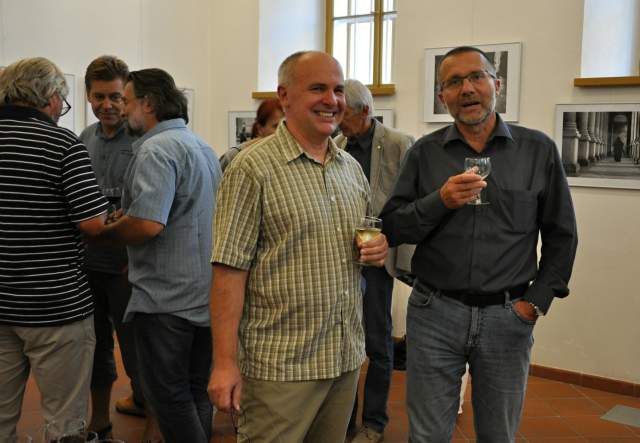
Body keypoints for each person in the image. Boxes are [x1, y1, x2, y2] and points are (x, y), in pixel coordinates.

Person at [380, 46, 578, 443]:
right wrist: (440, 201)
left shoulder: (537, 150)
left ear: (496, 85)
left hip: (508, 315)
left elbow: (562, 234)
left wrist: (535, 303)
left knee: (497, 434)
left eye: (476, 77)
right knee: (426, 436)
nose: (467, 89)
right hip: (434, 313)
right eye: (454, 82)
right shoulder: (424, 153)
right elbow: (393, 227)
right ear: (443, 97)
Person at [207, 50, 389, 443]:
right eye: (318, 88)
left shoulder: (349, 169)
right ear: (284, 96)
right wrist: (224, 364)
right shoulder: (252, 168)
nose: (332, 100)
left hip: (342, 359)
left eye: (338, 90)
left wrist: (378, 249)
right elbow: (228, 272)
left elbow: (361, 242)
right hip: (281, 367)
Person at [97, 68, 221, 443]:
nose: (121, 109)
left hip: (166, 299)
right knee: (196, 391)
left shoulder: (154, 150)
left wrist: (106, 231)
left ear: (148, 104)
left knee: (169, 397)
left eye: (126, 100)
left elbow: (148, 224)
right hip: (205, 293)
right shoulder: (201, 147)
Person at [0, 57, 108, 441]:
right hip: (55, 305)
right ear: (49, 97)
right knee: (64, 421)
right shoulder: (62, 144)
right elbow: (93, 223)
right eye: (62, 101)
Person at [334, 78, 414, 443]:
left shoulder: (399, 144)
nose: (338, 122)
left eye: (344, 114)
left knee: (378, 343)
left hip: (379, 260)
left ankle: (375, 422)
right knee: (343, 341)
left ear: (365, 111)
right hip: (342, 259)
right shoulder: (337, 145)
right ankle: (342, 420)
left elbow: (411, 203)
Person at [78, 55, 143, 439]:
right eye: (99, 96)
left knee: (136, 347)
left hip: (128, 267)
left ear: (127, 95)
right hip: (88, 265)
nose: (107, 105)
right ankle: (99, 421)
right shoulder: (83, 139)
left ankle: (149, 413)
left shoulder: (143, 141)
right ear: (88, 95)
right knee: (94, 346)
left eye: (116, 97)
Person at [220, 97, 283, 171]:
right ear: (260, 129)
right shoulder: (234, 156)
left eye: (285, 125)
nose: (282, 130)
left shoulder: (286, 157)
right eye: (275, 126)